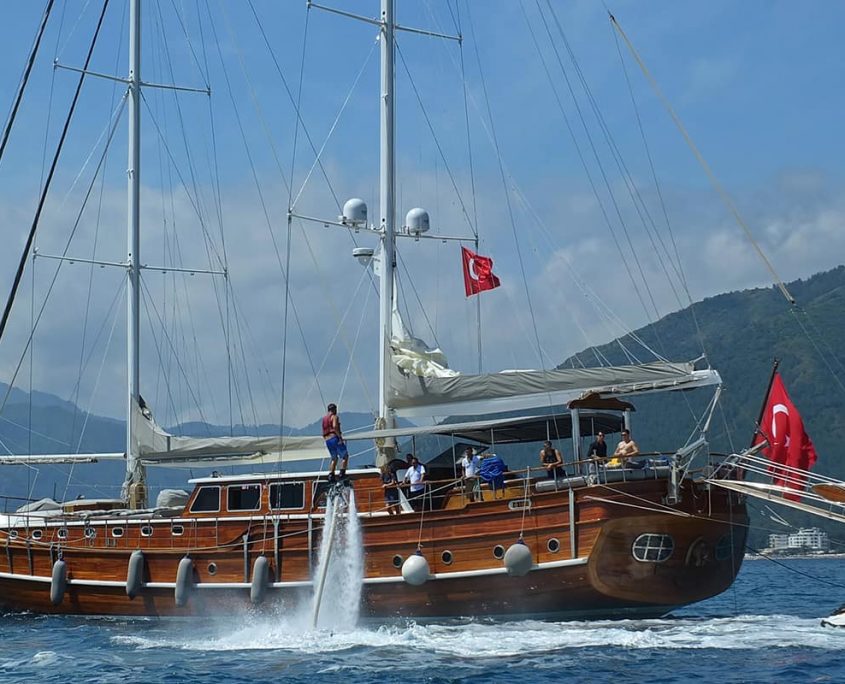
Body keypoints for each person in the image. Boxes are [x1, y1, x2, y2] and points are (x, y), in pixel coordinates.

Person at [321, 403, 348, 482]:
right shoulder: (334, 417)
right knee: (345, 456)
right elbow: (335, 426)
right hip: (334, 438)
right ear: (334, 410)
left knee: (334, 458)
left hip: (327, 440)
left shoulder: (324, 419)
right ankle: (342, 473)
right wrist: (339, 436)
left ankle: (331, 475)